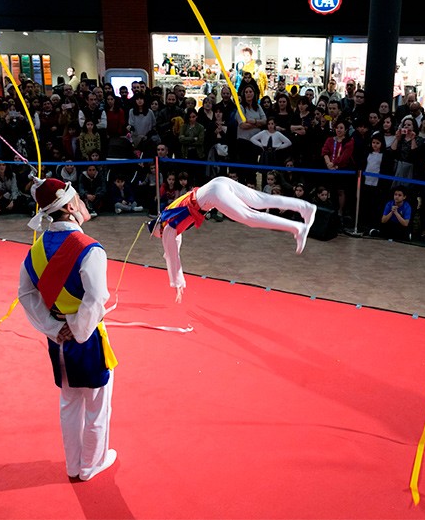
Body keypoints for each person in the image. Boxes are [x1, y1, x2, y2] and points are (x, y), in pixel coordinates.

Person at [19, 176, 118, 481]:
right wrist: (79, 330)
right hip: (85, 339)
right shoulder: (90, 249)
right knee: (97, 403)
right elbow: (96, 297)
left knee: (69, 401)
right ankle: (91, 464)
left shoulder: (35, 251)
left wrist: (52, 327)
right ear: (72, 205)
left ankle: (73, 464)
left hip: (58, 339)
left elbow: (26, 294)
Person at [149, 176, 317, 303]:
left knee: (250, 217)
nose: (163, 238)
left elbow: (172, 252)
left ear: (160, 230)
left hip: (213, 195)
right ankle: (306, 207)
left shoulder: (168, 227)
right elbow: (172, 246)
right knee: (260, 201)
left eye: (161, 236)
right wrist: (169, 258)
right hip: (218, 183)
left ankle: (298, 228)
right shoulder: (168, 214)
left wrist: (177, 283)